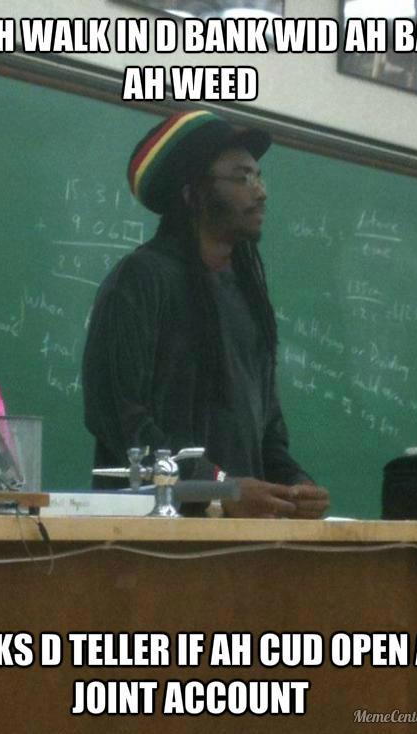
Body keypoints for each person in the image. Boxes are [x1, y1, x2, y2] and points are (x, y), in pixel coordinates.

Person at [83, 110, 329, 519]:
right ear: (192, 193)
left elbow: (267, 433)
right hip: (149, 538)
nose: (261, 192)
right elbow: (120, 418)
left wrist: (294, 484)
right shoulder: (141, 279)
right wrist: (218, 487)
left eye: (259, 176)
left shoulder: (247, 294)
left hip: (239, 539)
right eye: (243, 177)